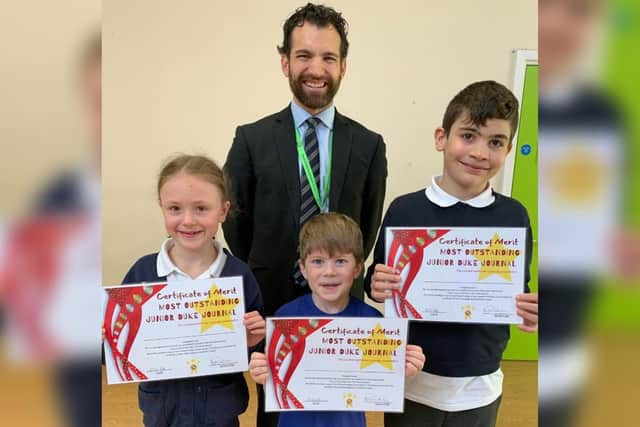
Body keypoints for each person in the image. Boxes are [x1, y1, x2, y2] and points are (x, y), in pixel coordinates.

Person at [365, 81, 539, 427]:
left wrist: (529, 311)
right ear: (441, 138)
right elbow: (375, 279)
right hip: (412, 380)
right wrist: (376, 284)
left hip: (480, 385)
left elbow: (518, 291)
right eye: (469, 135)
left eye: (495, 142)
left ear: (508, 150)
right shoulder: (404, 211)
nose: (479, 152)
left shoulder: (514, 216)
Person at [223, 2, 387, 317]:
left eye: (328, 57)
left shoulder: (369, 145)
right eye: (304, 56)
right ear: (285, 63)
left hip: (343, 302)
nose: (316, 69)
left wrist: (338, 269)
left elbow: (368, 225)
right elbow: (235, 222)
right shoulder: (250, 140)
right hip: (269, 296)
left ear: (343, 66)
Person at [120, 154, 265, 427]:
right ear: (161, 207)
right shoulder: (142, 274)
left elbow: (256, 353)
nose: (188, 220)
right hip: (162, 412)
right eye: (175, 208)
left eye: (201, 208)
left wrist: (250, 342)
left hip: (219, 413)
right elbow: (116, 351)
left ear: (223, 211)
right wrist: (108, 340)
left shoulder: (239, 275)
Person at [248, 212, 425, 427]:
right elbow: (277, 387)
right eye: (318, 261)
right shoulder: (286, 317)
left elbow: (380, 386)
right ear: (303, 268)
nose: (329, 272)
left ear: (358, 268)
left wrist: (404, 370)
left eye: (340, 261)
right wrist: (264, 376)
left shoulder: (373, 323)